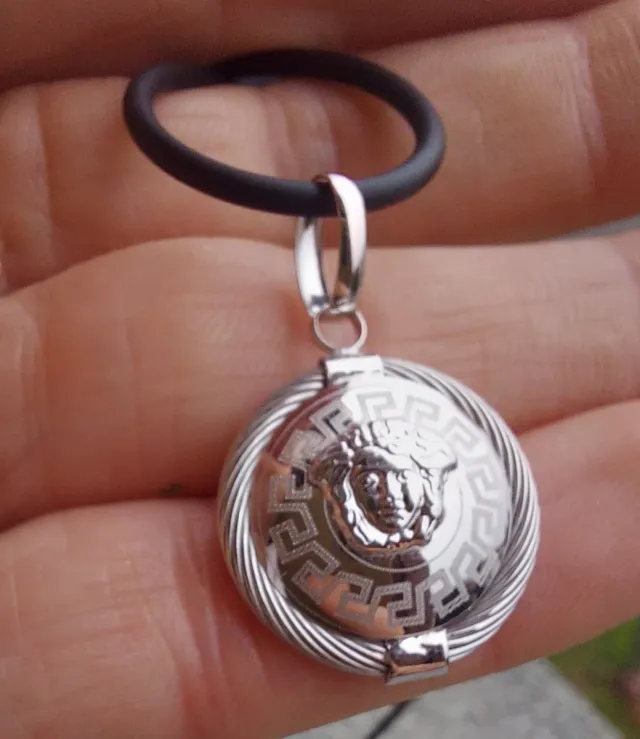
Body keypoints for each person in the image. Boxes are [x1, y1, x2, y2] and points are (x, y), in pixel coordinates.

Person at [0, 1, 638, 736]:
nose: (395, 494)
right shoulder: (295, 485)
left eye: (402, 481)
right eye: (380, 484)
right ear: (342, 488)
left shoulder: (452, 492)